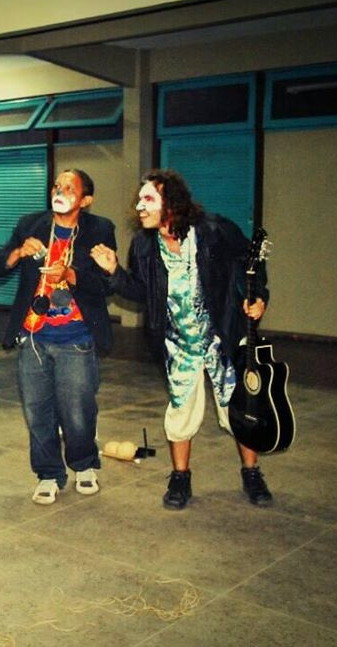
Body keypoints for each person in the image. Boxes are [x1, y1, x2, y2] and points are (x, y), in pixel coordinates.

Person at [90, 169, 273, 510]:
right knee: (180, 411)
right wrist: (114, 271)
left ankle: (252, 473)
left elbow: (250, 259)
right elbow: (142, 293)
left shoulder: (214, 231)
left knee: (238, 410)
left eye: (148, 199)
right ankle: (180, 477)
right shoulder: (144, 245)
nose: (139, 207)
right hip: (179, 343)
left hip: (221, 336)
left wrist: (257, 295)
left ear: (171, 203)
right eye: (139, 200)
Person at [0, 169, 116, 505]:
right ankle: (48, 473)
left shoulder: (100, 229)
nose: (59, 191)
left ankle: (84, 465)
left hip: (76, 337)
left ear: (85, 200)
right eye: (57, 185)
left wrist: (70, 274)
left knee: (78, 411)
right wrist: (18, 252)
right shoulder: (30, 224)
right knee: (37, 410)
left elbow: (105, 284)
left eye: (69, 188)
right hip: (33, 336)